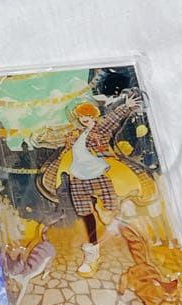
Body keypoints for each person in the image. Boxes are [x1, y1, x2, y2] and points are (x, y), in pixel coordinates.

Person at [40, 92, 145, 276]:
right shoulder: (73, 134)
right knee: (85, 214)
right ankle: (92, 252)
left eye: (88, 116)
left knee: (110, 207)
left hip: (98, 175)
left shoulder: (100, 130)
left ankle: (109, 216)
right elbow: (56, 138)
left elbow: (112, 119)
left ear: (94, 116)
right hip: (77, 179)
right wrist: (38, 137)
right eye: (81, 116)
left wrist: (126, 106)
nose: (84, 119)